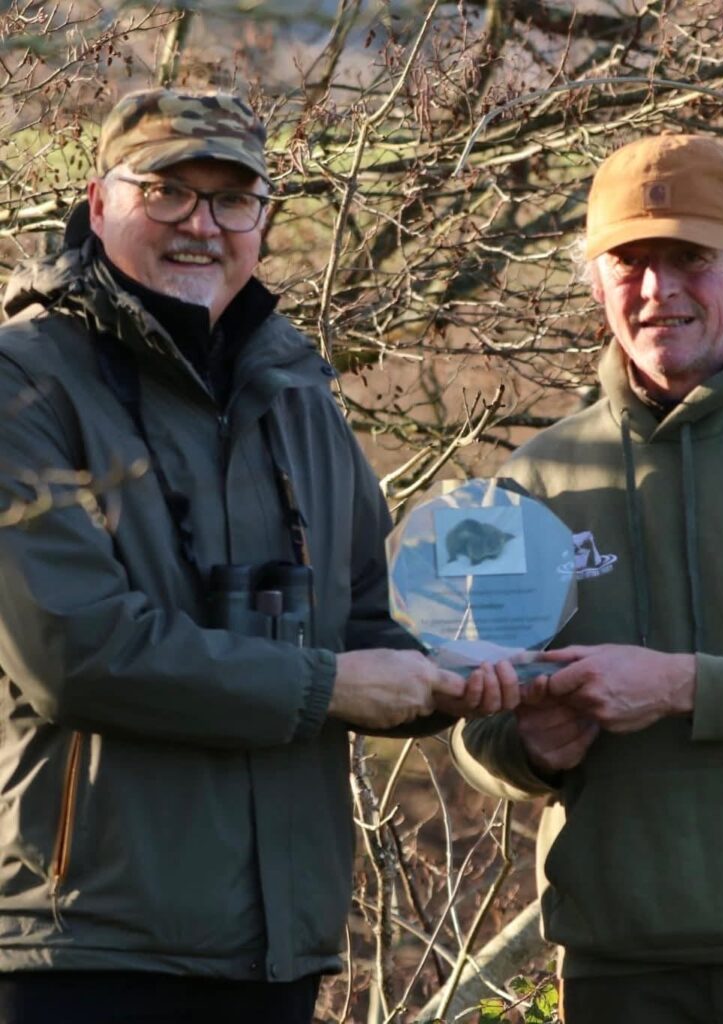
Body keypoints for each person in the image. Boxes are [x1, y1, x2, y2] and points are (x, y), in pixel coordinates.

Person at [0, 88, 519, 1024]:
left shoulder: (297, 393)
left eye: (232, 200)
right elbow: (76, 651)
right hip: (80, 944)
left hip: (276, 947)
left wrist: (454, 673)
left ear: (264, 217)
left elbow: (359, 618)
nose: (202, 225)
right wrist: (329, 686)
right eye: (167, 191)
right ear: (97, 200)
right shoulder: (23, 386)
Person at [451, 133, 723, 1023]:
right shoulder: (532, 484)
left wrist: (689, 686)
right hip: (616, 962)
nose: (659, 291)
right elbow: (476, 733)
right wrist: (530, 747)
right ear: (596, 280)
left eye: (690, 258)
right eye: (630, 262)